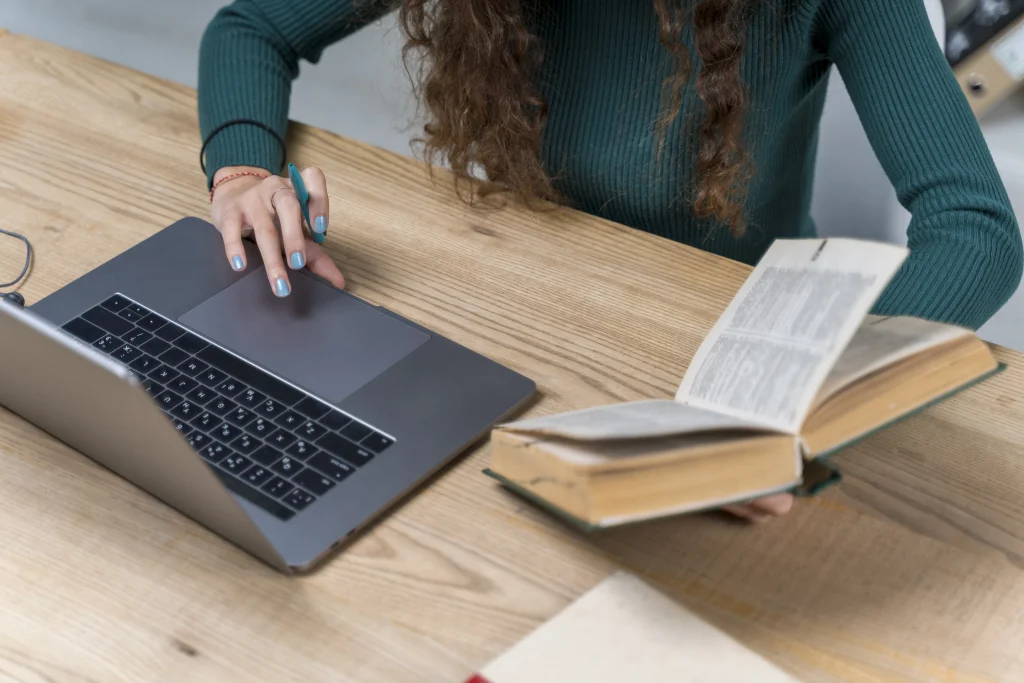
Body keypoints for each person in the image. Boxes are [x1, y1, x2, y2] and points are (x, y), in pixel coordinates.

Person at [197, 0, 1023, 522]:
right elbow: (252, 27)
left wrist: (800, 405)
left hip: (718, 352)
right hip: (516, 320)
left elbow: (975, 227)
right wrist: (242, 171)